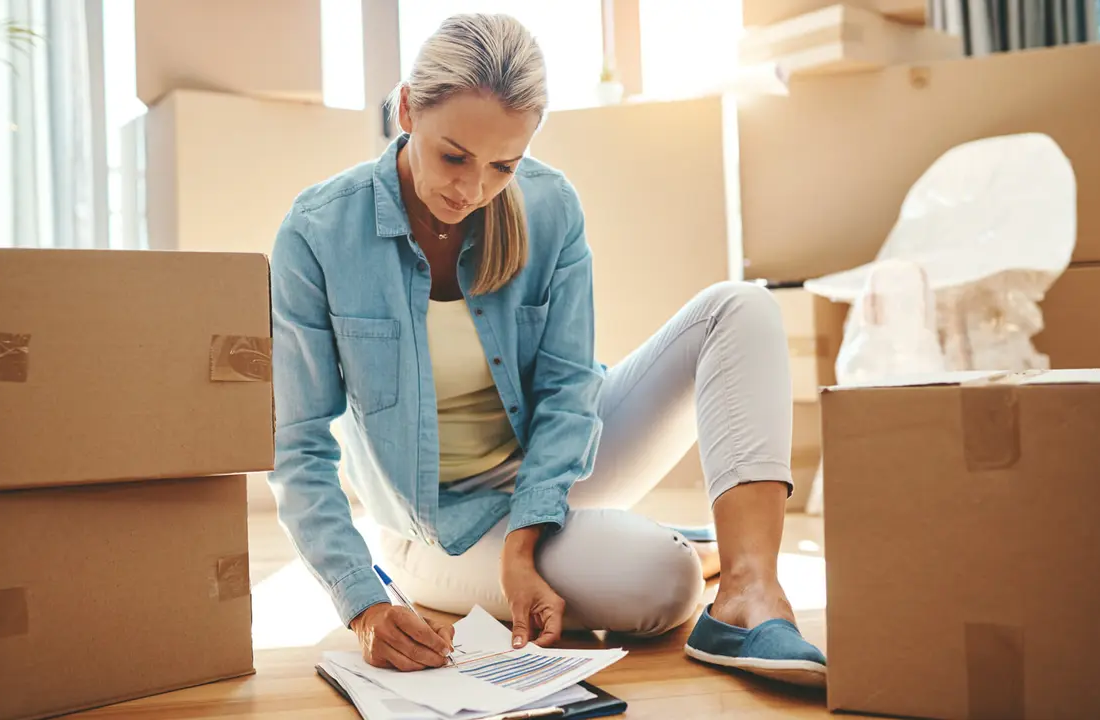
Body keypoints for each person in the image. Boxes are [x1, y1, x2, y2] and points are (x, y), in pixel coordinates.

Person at [269, 13, 827, 687]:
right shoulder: (318, 232)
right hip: (437, 526)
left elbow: (568, 389)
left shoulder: (550, 205)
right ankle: (685, 548)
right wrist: (363, 605)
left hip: (556, 467)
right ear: (408, 110)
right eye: (454, 157)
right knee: (664, 583)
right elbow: (299, 448)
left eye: (503, 166)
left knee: (742, 308)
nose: (472, 190)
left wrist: (526, 539)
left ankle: (748, 595)